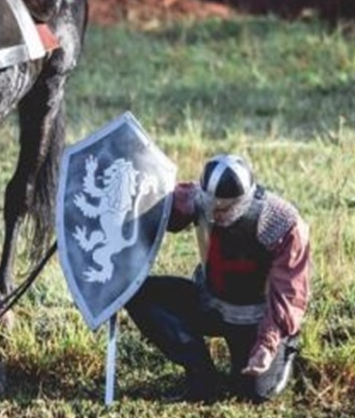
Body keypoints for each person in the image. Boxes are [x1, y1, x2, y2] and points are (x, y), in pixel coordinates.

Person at [125, 153, 311, 403]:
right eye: (210, 205)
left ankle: (284, 350)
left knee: (253, 394)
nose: (214, 215)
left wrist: (267, 344)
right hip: (210, 302)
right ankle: (201, 373)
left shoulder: (282, 224)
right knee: (137, 294)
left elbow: (288, 294)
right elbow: (155, 210)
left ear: (244, 199)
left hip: (256, 319)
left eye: (224, 208)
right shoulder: (198, 199)